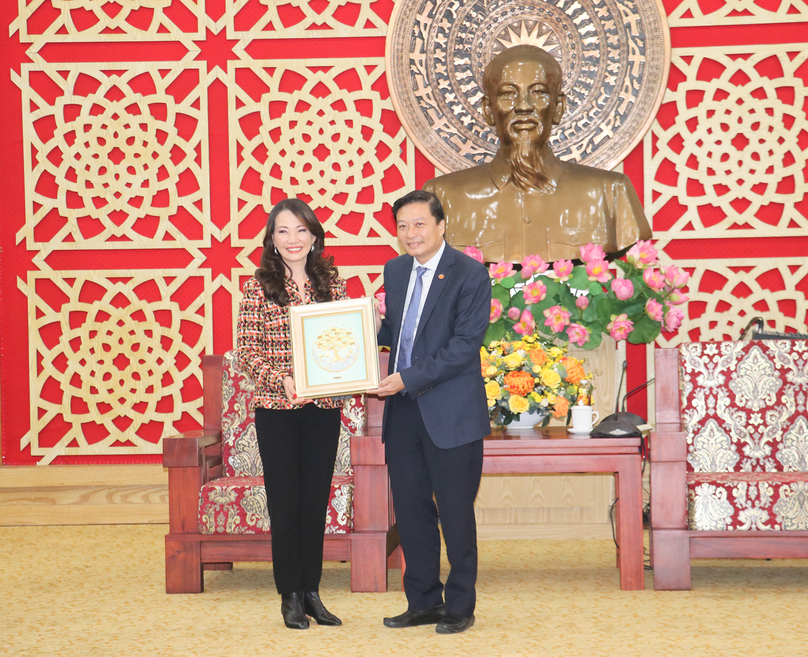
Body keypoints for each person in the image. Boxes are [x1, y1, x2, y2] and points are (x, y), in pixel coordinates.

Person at [372, 190, 491, 634]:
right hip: (402, 412)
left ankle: (459, 606)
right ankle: (422, 601)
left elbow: (463, 347)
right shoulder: (396, 270)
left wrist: (409, 377)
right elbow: (395, 329)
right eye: (403, 225)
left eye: (419, 223)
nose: (410, 234)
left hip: (450, 411)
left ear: (442, 225)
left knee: (456, 511)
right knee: (411, 510)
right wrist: (360, 328)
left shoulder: (470, 274)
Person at [423, 44, 652, 264]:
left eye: (539, 92)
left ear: (559, 107)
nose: (524, 106)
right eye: (508, 94)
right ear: (488, 110)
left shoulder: (610, 193)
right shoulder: (441, 198)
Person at [236, 198, 345, 630]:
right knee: (285, 503)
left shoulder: (331, 285)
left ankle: (313, 592)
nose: (293, 239)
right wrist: (281, 377)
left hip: (323, 407)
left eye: (301, 230)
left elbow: (342, 342)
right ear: (272, 240)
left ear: (314, 236)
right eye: (283, 231)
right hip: (278, 408)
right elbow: (246, 350)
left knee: (315, 501)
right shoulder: (257, 287)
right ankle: (290, 595)